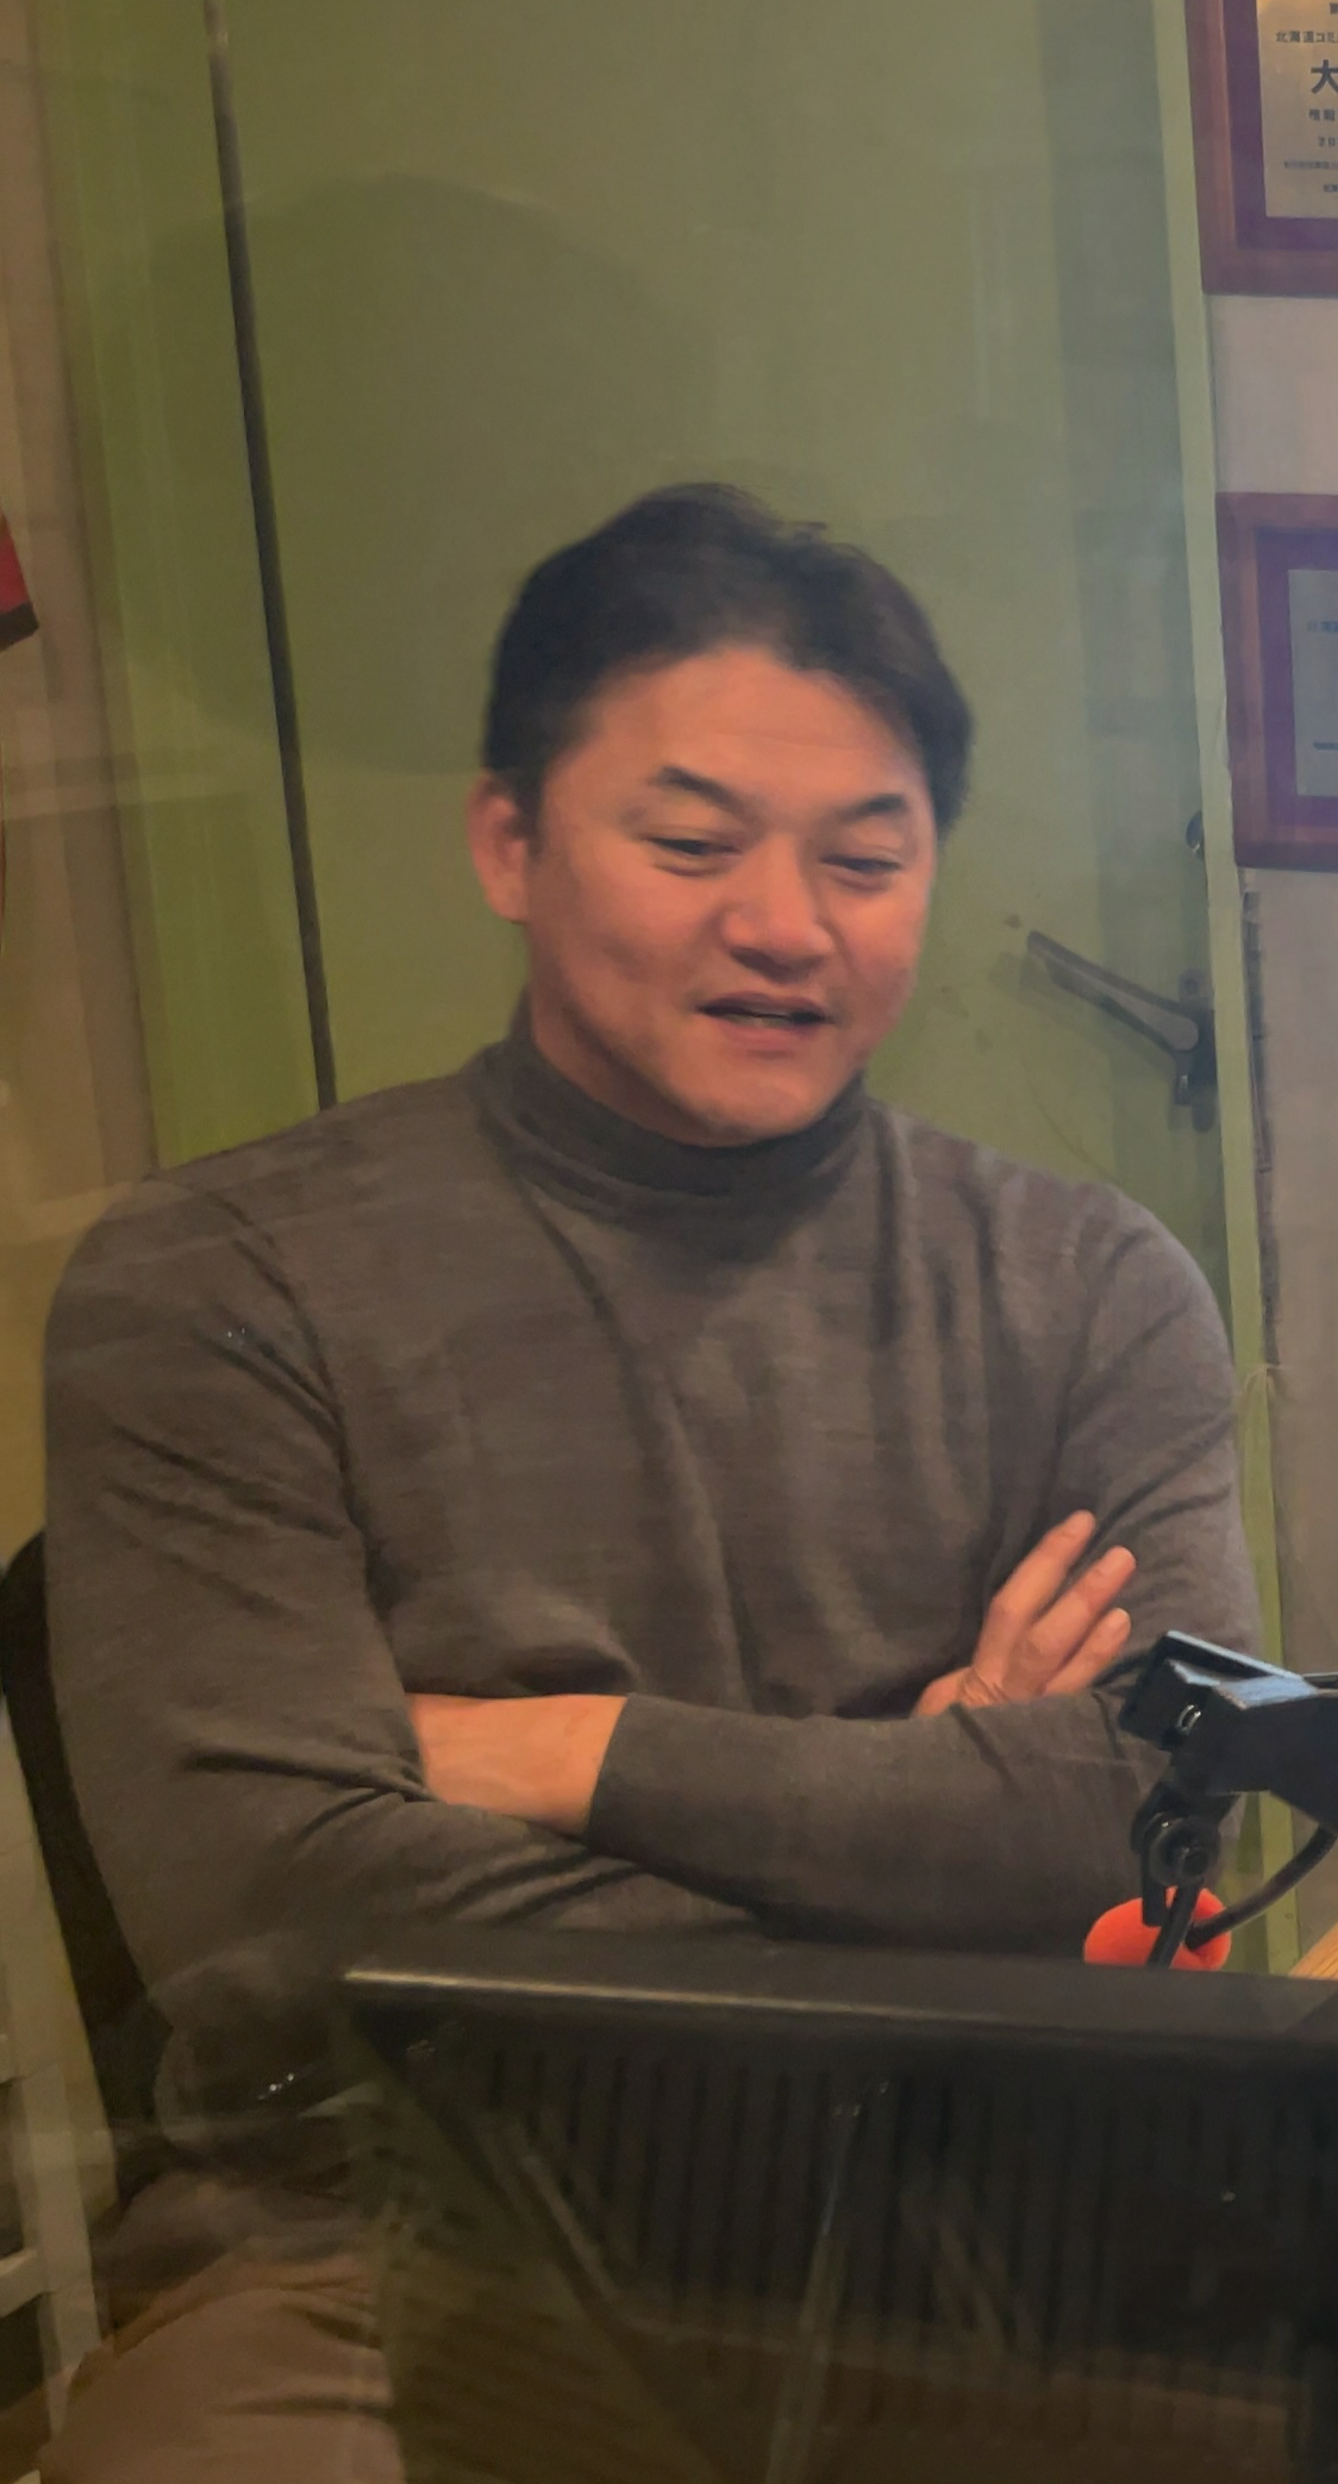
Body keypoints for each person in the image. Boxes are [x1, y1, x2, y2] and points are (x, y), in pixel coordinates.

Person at [39, 483, 1258, 2478]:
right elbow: (276, 1911)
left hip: (968, 2219)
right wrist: (920, 1836)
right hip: (390, 2231)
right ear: (507, 843)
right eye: (691, 845)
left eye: (865, 858)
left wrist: (564, 1752)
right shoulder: (222, 1281)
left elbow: (1161, 1811)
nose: (784, 924)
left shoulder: (1087, 1285)